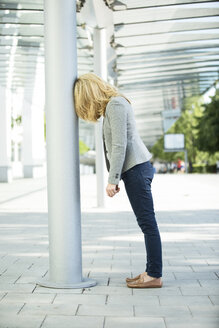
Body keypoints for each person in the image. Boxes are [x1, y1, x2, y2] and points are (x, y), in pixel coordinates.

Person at [73, 73, 163, 288]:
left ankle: (154, 275)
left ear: (90, 94)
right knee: (146, 223)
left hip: (136, 170)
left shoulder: (115, 105)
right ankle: (151, 270)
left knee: (148, 224)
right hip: (135, 170)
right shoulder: (114, 105)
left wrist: (112, 180)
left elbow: (119, 145)